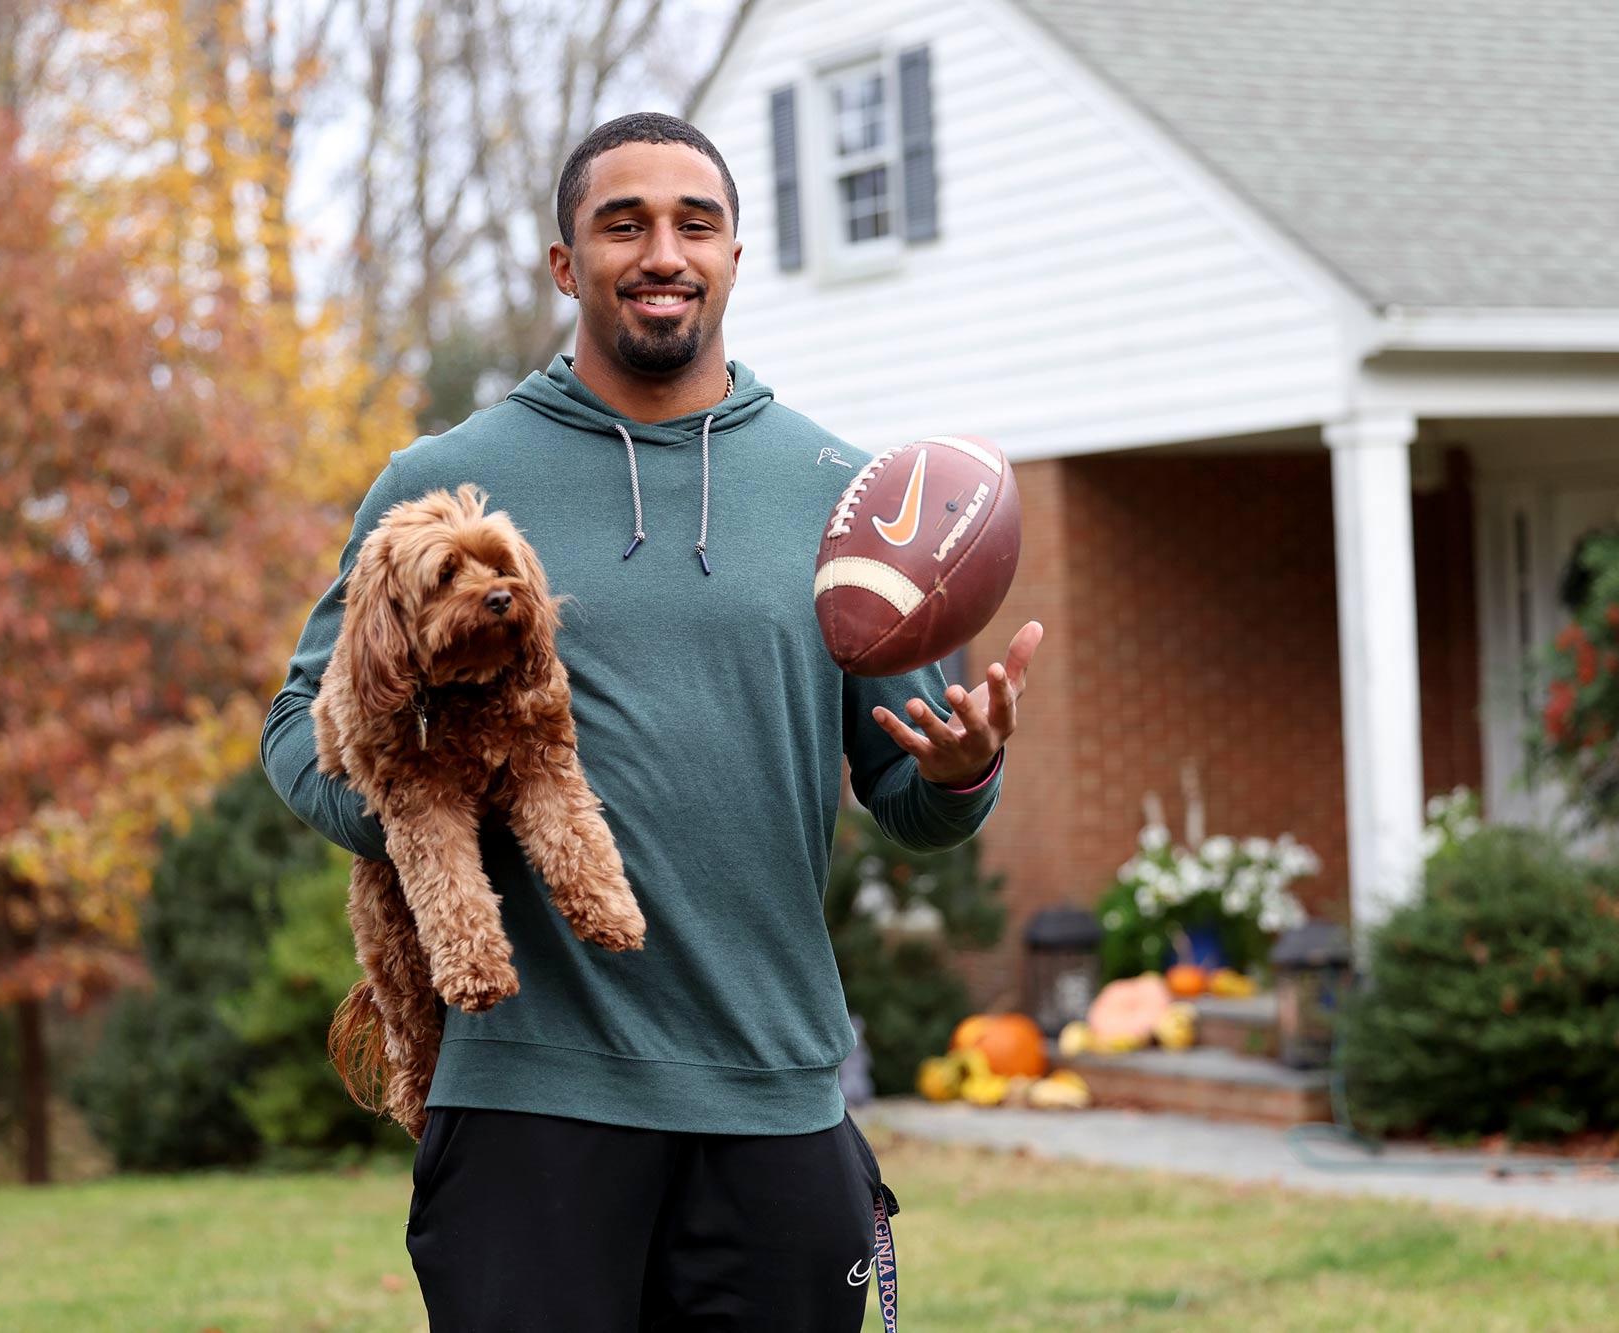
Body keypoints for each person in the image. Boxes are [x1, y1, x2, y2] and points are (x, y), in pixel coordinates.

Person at [260, 111, 1043, 1332]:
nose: (661, 251)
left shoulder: (842, 496)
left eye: (695, 223)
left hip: (776, 1094)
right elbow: (297, 724)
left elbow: (910, 803)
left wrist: (962, 770)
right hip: (530, 1102)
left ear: (735, 254)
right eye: (621, 224)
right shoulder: (442, 480)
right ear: (567, 264)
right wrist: (436, 802)